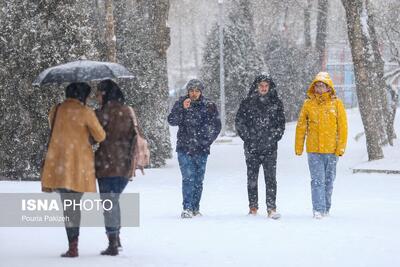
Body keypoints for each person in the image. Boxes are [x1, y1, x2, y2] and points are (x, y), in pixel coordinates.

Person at [41, 82, 106, 257]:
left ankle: (72, 245)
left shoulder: (57, 109)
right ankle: (73, 245)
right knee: (73, 205)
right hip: (79, 166)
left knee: (68, 206)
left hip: (59, 164)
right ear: (83, 95)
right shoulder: (86, 112)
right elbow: (100, 136)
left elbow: (51, 125)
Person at [295, 72, 348, 219]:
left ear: (329, 87)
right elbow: (301, 126)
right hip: (314, 150)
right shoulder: (308, 104)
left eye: (322, 85)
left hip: (332, 150)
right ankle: (318, 209)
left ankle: (326, 208)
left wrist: (340, 147)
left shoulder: (337, 104)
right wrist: (299, 146)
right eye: (317, 85)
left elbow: (342, 127)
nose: (319, 88)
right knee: (317, 180)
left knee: (329, 181)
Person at [168, 79, 221, 219]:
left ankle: (196, 208)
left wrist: (207, 141)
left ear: (201, 92)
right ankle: (187, 208)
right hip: (184, 148)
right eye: (191, 90)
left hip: (202, 149)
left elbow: (216, 126)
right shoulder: (181, 103)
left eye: (197, 90)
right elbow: (172, 121)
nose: (194, 93)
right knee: (188, 178)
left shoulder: (209, 105)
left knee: (198, 180)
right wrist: (182, 109)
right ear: (187, 91)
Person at [95, 79, 137, 256]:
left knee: (109, 203)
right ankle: (116, 237)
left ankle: (113, 241)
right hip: (125, 165)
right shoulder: (128, 111)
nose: (97, 96)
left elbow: (94, 137)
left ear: (105, 93)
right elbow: (135, 135)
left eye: (98, 92)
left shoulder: (103, 113)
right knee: (113, 200)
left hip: (106, 164)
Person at [235, 74, 285, 219]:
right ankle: (253, 207)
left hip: (270, 147)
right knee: (252, 178)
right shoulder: (247, 103)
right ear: (256, 87)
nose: (263, 88)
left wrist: (274, 137)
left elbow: (281, 124)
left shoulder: (276, 103)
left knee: (271, 178)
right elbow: (239, 122)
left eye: (266, 86)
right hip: (252, 147)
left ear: (269, 87)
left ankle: (271, 208)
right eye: (261, 86)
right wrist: (248, 137)